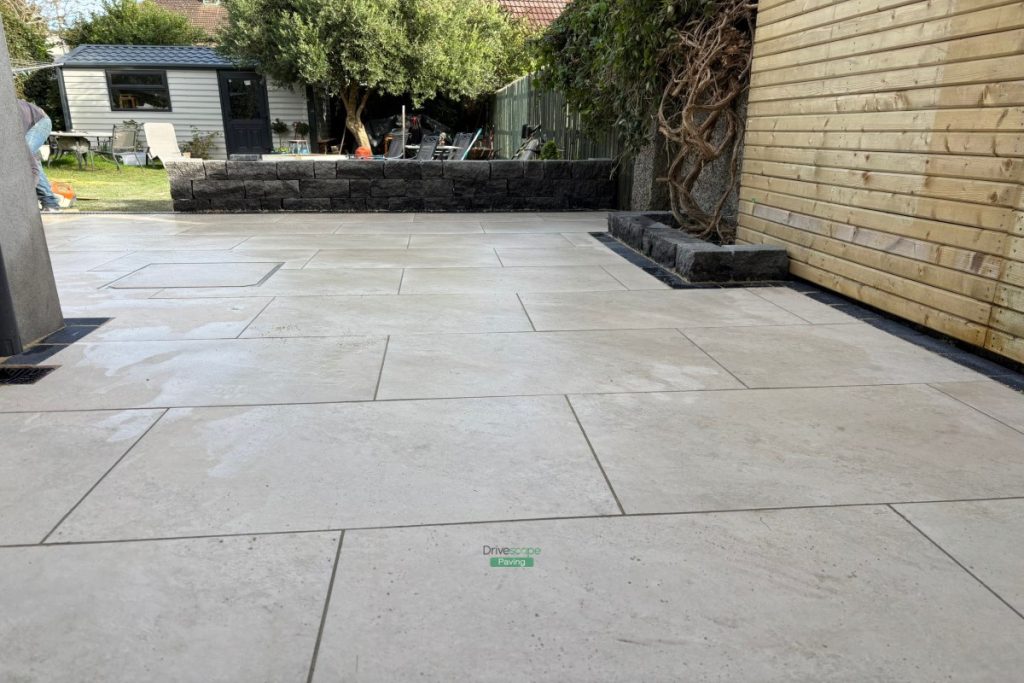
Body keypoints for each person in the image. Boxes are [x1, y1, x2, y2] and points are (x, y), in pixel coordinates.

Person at [17, 99, 61, 212]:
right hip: (27, 125)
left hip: (39, 122)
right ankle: (50, 203)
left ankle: (49, 202)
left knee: (24, 157)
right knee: (28, 158)